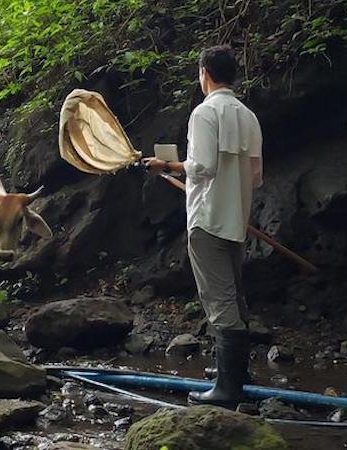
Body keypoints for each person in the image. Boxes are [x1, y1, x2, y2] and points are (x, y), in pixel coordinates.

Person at [144, 44, 263, 408]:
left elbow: (202, 167)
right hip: (237, 217)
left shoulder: (204, 112)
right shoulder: (248, 115)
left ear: (204, 74)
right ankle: (235, 374)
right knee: (234, 293)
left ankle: (227, 391)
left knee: (219, 298)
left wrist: (168, 166)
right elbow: (255, 175)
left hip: (208, 217)